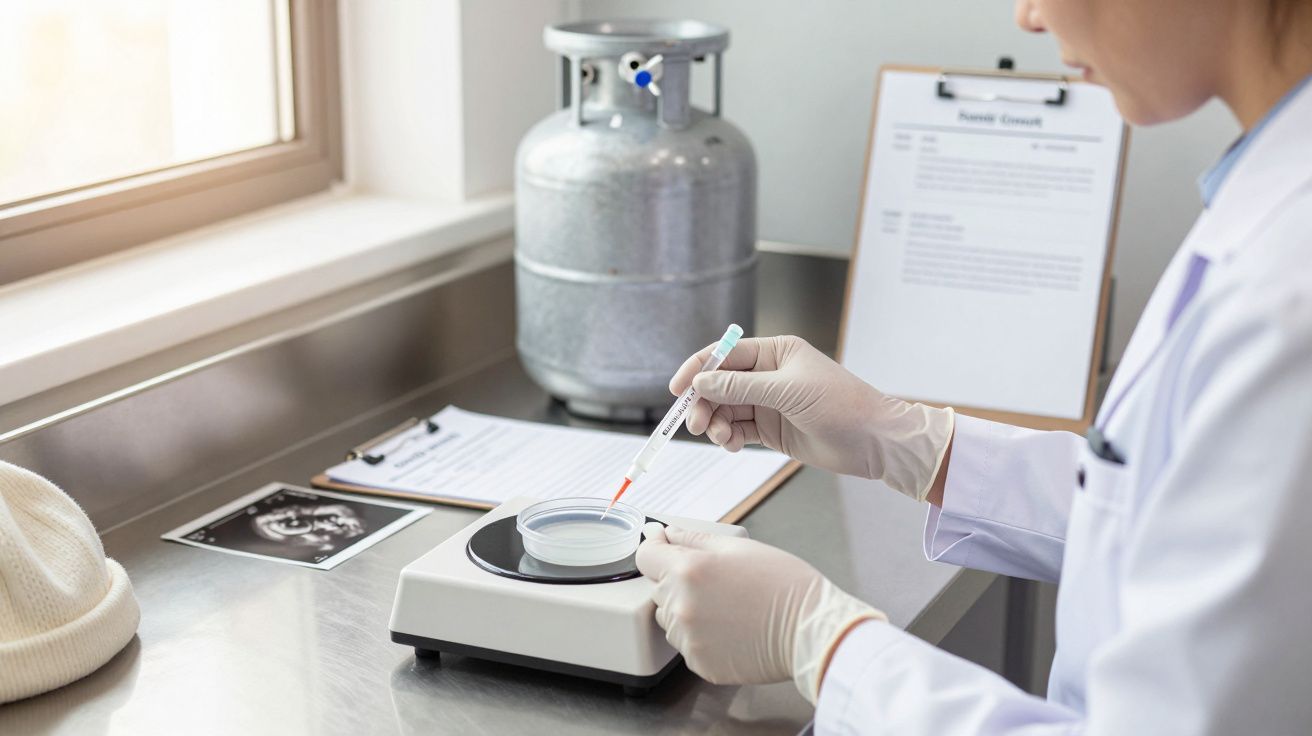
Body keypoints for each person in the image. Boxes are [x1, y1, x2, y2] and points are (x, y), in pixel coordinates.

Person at [634, 0, 1312, 732]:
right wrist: (903, 439)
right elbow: (1165, 518)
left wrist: (820, 643)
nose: (1028, 16)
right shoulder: (1265, 200)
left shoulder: (1288, 296)